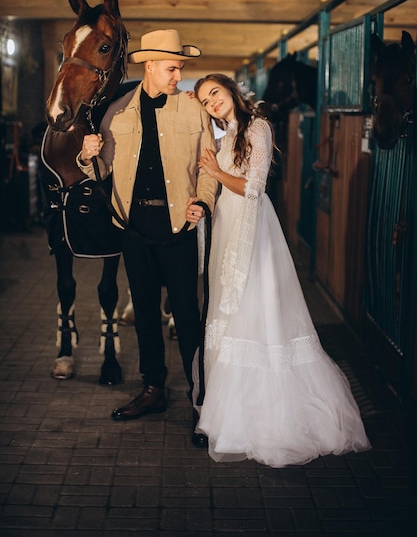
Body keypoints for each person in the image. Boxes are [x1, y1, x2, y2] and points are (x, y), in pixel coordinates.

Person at [193, 73, 371, 467]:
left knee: (255, 309)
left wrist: (216, 171)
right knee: (229, 307)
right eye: (205, 101)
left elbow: (254, 187)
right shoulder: (223, 137)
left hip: (253, 228)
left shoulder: (259, 127)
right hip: (226, 224)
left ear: (232, 92)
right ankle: (229, 409)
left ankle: (267, 413)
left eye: (215, 94)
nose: (212, 104)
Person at [77, 30, 218, 448]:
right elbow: (101, 173)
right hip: (133, 230)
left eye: (180, 67)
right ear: (150, 66)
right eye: (173, 67)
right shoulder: (117, 115)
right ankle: (154, 388)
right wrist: (87, 156)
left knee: (188, 317)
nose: (179, 75)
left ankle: (201, 399)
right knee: (144, 315)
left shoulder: (194, 112)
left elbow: (208, 167)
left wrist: (205, 203)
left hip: (178, 228)